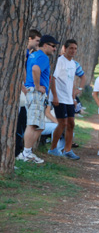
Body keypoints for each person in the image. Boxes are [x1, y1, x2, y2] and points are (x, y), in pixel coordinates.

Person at [22, 35, 59, 163]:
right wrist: (37, 86)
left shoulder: (33, 55)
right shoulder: (43, 57)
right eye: (53, 46)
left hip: (32, 92)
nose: (54, 49)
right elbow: (35, 69)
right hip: (36, 93)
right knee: (33, 125)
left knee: (40, 126)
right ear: (45, 45)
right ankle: (26, 153)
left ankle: (27, 151)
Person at [16, 29, 42, 159]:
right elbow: (21, 69)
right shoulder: (24, 52)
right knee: (22, 119)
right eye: (37, 40)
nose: (39, 43)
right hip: (22, 89)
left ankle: (21, 149)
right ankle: (19, 151)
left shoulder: (30, 53)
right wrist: (23, 85)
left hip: (25, 89)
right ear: (29, 39)